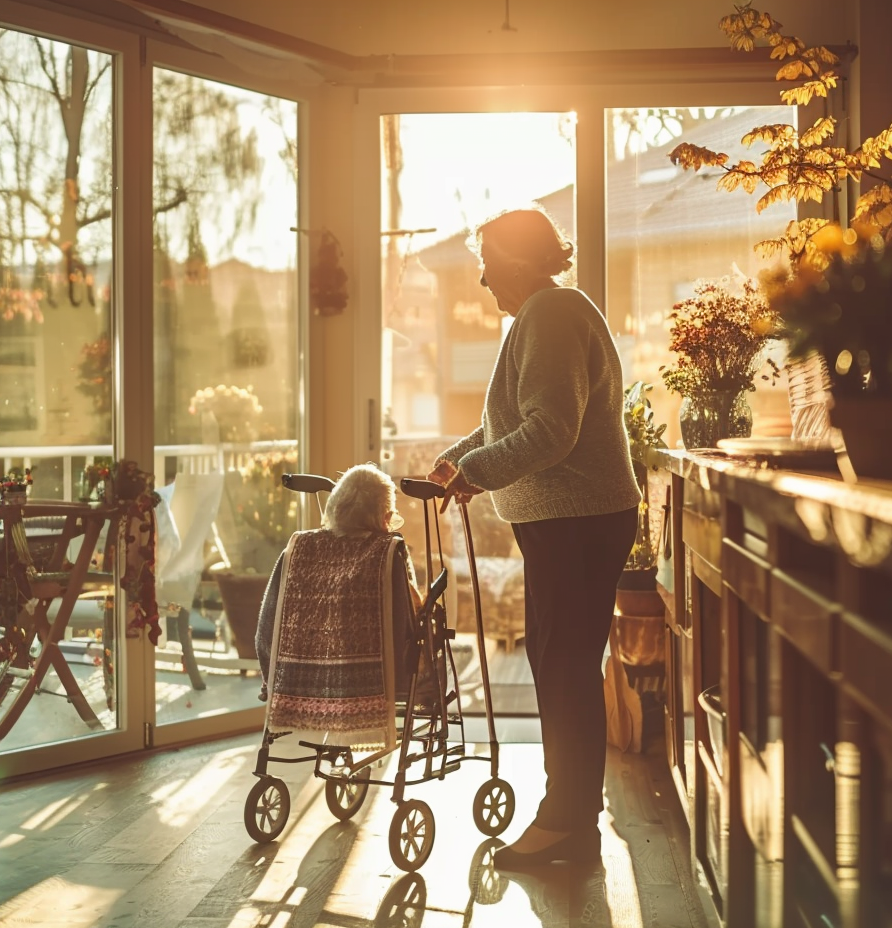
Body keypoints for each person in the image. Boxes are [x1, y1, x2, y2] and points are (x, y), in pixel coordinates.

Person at [428, 207, 640, 870]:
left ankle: (567, 824)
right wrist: (461, 458)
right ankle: (573, 822)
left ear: (516, 260)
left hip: (575, 523)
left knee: (563, 668)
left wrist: (475, 472)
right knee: (563, 665)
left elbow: (550, 431)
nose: (483, 277)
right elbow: (514, 420)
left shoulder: (549, 315)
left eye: (488, 259)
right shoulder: (544, 315)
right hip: (570, 522)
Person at [255, 463, 416, 701]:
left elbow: (267, 628)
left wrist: (271, 679)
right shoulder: (387, 552)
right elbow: (407, 624)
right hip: (374, 688)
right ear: (386, 517)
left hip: (297, 686)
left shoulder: (298, 548)